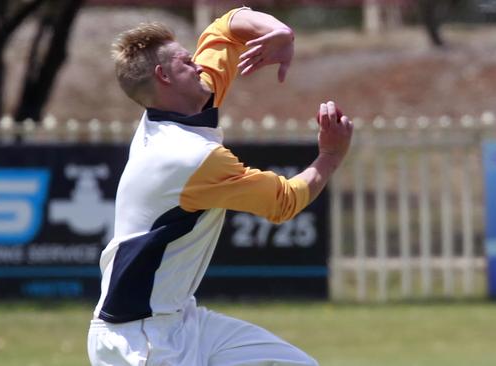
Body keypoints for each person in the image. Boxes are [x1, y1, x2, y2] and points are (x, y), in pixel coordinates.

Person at [87, 7, 353, 366]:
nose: (198, 64)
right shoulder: (188, 156)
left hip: (182, 321)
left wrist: (280, 32)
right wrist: (330, 155)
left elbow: (226, 28)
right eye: (186, 62)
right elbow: (283, 201)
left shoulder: (183, 107)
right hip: (140, 341)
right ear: (164, 76)